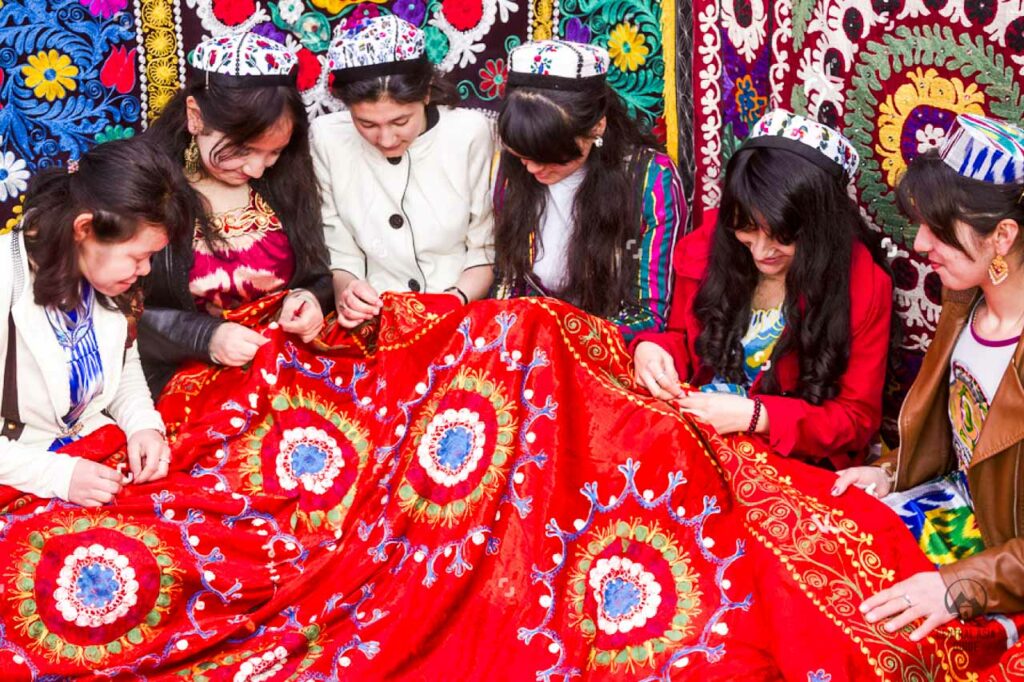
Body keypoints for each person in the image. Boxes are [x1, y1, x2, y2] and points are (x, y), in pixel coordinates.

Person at [833, 114, 1024, 639]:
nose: (919, 245)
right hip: (949, 512)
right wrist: (890, 473)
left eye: (938, 229)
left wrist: (957, 586)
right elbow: (962, 441)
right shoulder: (966, 301)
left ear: (1002, 235)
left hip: (999, 569)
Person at [632, 109, 893, 469]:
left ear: (820, 227)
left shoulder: (863, 284)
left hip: (788, 456)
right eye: (747, 230)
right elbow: (682, 338)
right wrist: (653, 349)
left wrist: (757, 416)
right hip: (697, 427)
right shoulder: (711, 246)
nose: (760, 251)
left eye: (783, 238)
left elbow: (856, 420)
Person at [0, 137, 191, 506]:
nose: (146, 269)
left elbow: (121, 363)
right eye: (139, 256)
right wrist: (58, 475)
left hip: (92, 452)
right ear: (84, 228)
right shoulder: (6, 280)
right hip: (22, 473)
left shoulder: (104, 278)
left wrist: (143, 425)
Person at [140, 32, 332, 395]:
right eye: (243, 150)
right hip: (187, 382)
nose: (259, 169)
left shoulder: (285, 175)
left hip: (287, 368)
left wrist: (310, 298)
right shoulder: (142, 184)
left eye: (273, 153)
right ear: (196, 117)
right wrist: (204, 337)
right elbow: (104, 310)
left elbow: (318, 273)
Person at [492, 39, 684, 341]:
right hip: (522, 346)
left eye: (550, 158)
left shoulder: (649, 179)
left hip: (604, 355)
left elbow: (650, 315)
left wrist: (560, 339)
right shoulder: (514, 169)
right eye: (522, 156)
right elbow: (507, 285)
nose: (532, 169)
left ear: (597, 127)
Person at [313, 15, 496, 328]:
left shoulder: (470, 133)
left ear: (425, 94)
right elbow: (340, 251)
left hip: (460, 313)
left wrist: (453, 300)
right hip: (375, 319)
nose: (385, 139)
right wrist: (349, 294)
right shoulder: (327, 137)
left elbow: (485, 250)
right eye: (366, 124)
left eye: (400, 122)